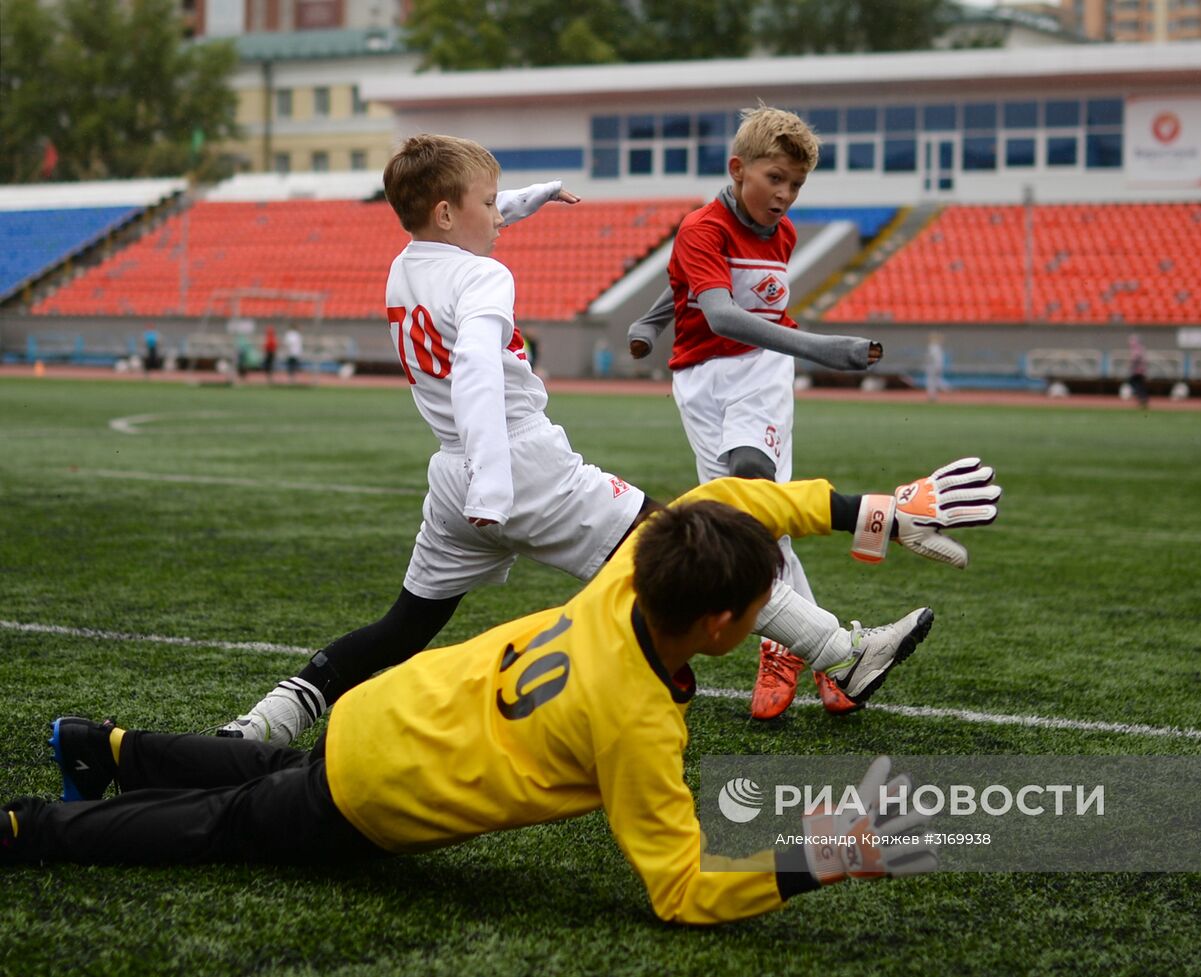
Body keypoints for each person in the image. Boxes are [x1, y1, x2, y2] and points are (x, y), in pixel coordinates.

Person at [3, 468, 1001, 924]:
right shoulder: (636, 722)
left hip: (393, 707)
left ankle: (110, 745)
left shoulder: (638, 559)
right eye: (762, 601)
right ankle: (36, 825)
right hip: (381, 791)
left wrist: (871, 511)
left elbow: (739, 497)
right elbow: (682, 891)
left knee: (274, 772)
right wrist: (818, 855)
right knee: (223, 825)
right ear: (716, 624)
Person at [218, 134, 933, 746]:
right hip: (519, 465)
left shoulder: (407, 266)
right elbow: (474, 368)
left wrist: (526, 198)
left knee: (403, 625)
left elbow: (455, 231)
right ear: (448, 210)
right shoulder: (484, 275)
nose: (500, 214)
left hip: (452, 475)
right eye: (491, 203)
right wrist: (499, 481)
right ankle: (843, 653)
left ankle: (263, 724)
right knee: (692, 546)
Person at [627, 105, 889, 721]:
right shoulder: (703, 227)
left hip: (762, 369)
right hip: (697, 383)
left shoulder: (785, 235)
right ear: (738, 168)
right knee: (745, 521)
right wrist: (652, 319)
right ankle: (822, 646)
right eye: (776, 178)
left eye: (796, 184)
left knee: (752, 487)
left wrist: (804, 349)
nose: (786, 195)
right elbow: (706, 300)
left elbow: (741, 314)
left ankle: (790, 647)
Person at [1127, 334, 1149, 409]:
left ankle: (1142, 397)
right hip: (1140, 371)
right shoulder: (1140, 348)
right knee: (1139, 385)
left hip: (1138, 371)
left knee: (1136, 384)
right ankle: (1143, 398)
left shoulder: (1137, 349)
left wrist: (1131, 364)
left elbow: (1136, 358)